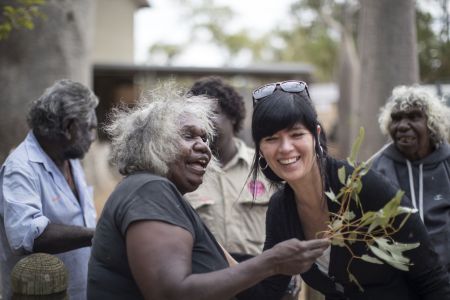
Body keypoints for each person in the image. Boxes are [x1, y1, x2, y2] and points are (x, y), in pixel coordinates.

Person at [87, 85, 329, 300]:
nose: (204, 146)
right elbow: (170, 293)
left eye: (204, 137)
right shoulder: (150, 189)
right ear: (153, 142)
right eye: (188, 135)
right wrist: (272, 263)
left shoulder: (160, 194)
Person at [242, 80, 450, 299]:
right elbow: (267, 291)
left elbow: (432, 280)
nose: (285, 148)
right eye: (271, 139)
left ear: (316, 134)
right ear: (260, 149)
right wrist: (209, 242)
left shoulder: (363, 187)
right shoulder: (281, 209)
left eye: (296, 135)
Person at [0, 79, 98, 300]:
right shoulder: (21, 167)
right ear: (68, 127)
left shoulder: (70, 160)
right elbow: (29, 235)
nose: (93, 138)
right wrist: (97, 235)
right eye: (90, 129)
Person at [185, 76, 272, 260]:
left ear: (232, 116)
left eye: (211, 114)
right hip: (207, 281)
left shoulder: (266, 167)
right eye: (197, 117)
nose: (204, 123)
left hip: (262, 279)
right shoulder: (183, 173)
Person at [372, 85, 450, 274]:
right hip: (399, 278)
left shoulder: (447, 163)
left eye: (414, 117)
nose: (403, 125)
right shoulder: (377, 167)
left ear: (431, 123)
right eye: (396, 118)